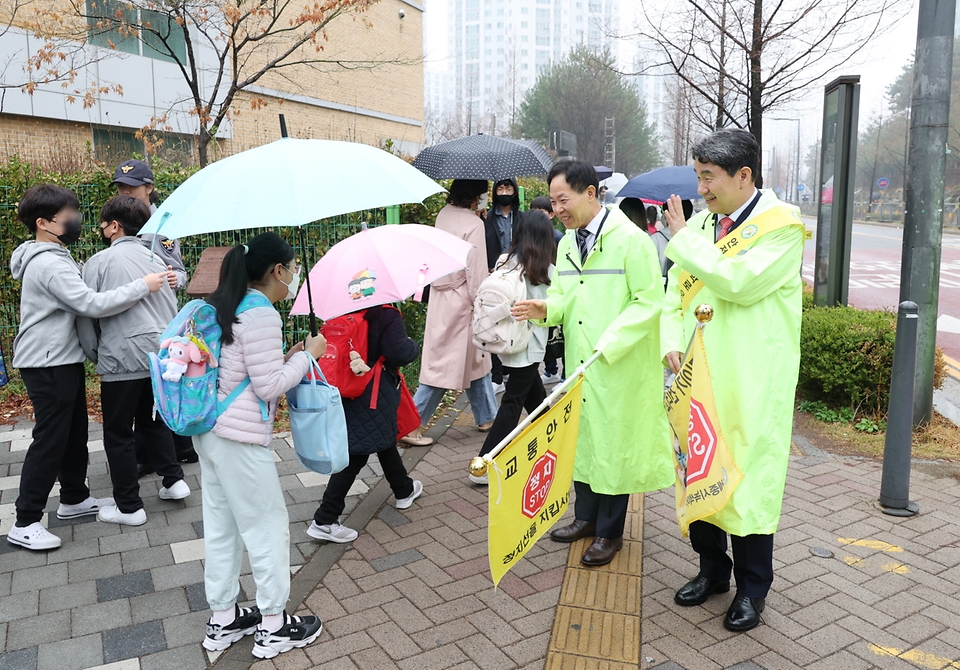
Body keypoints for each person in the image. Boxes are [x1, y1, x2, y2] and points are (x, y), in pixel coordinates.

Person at [661, 128, 805, 633]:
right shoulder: (701, 224)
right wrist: (668, 342)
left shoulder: (782, 227)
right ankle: (711, 571)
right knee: (698, 469)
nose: (701, 188)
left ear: (744, 176)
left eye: (709, 177)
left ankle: (752, 589)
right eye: (698, 176)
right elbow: (672, 294)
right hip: (696, 377)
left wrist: (683, 241)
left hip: (750, 380)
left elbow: (740, 285)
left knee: (748, 481)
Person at [511, 161, 673, 567]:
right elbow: (568, 297)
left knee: (614, 446)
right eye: (555, 200)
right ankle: (585, 518)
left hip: (618, 364)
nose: (558, 208)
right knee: (584, 441)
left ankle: (609, 532)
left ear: (590, 193)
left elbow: (649, 301)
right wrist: (545, 308)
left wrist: (610, 342)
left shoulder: (631, 241)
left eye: (563, 199)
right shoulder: (567, 243)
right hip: (581, 362)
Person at [7, 184, 172, 551]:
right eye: (69, 214)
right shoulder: (49, 262)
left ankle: (74, 499)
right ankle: (25, 520)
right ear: (44, 223)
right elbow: (90, 303)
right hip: (47, 362)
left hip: (62, 359)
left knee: (72, 432)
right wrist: (142, 286)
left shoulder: (56, 254)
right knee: (51, 438)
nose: (77, 219)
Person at [197, 233, 325, 659]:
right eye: (290, 268)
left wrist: (290, 357)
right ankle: (273, 624)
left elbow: (248, 369)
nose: (292, 275)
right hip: (239, 437)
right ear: (277, 271)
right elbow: (268, 385)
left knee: (221, 527)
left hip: (210, 431)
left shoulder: (226, 305)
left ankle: (224, 618)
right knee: (266, 525)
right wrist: (308, 356)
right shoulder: (263, 315)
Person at [78, 196, 189, 526]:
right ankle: (174, 481)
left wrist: (94, 352)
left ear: (114, 226)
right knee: (154, 422)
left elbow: (86, 314)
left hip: (121, 358)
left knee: (118, 432)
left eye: (102, 224)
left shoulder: (99, 263)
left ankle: (129, 506)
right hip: (159, 357)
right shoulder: (159, 262)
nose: (101, 229)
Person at [309, 305, 424, 541]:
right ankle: (324, 519)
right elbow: (399, 352)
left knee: (382, 438)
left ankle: (404, 489)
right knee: (356, 453)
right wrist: (413, 345)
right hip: (374, 390)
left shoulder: (340, 311)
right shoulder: (385, 313)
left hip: (345, 387)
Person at [112, 159, 199, 472]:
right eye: (121, 187)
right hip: (129, 312)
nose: (125, 192)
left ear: (149, 188)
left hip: (158, 316)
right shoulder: (116, 220)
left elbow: (179, 269)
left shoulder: (163, 224)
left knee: (162, 381)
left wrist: (178, 278)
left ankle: (168, 449)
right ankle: (164, 450)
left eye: (132, 187)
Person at [404, 180, 498, 444]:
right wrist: (481, 302)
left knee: (475, 358)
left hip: (441, 296)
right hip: (462, 301)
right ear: (475, 195)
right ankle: (411, 426)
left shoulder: (443, 215)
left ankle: (487, 415)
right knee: (445, 366)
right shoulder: (474, 224)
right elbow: (476, 271)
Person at [469, 211, 555, 486]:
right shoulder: (543, 270)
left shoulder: (505, 261)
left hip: (506, 339)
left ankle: (554, 443)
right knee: (512, 404)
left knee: (538, 401)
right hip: (528, 345)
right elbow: (548, 312)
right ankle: (484, 462)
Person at [484, 178, 524, 395]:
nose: (505, 191)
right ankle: (497, 375)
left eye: (509, 188)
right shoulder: (487, 219)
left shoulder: (522, 218)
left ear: (515, 192)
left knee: (516, 320)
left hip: (518, 275)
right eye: (501, 187)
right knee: (494, 321)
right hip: (495, 277)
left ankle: (510, 370)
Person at [530, 195, 563, 386]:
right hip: (540, 290)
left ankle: (564, 373)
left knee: (557, 336)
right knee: (545, 333)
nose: (537, 216)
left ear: (551, 214)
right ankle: (551, 370)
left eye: (541, 212)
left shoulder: (558, 238)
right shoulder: (531, 236)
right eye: (534, 211)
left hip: (553, 289)